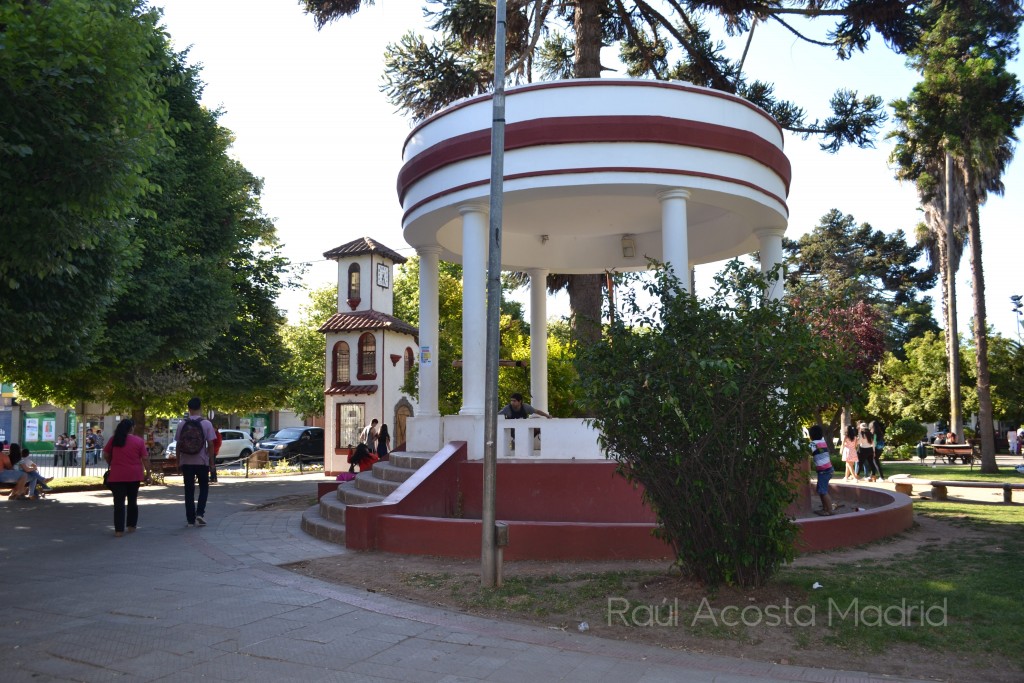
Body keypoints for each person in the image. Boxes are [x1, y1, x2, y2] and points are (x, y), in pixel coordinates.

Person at [103, 418, 151, 537]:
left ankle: (118, 530)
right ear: (131, 428)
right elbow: (145, 458)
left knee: (118, 503)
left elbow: (106, 454)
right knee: (132, 501)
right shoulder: (138, 441)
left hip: (117, 475)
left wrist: (112, 462)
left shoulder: (114, 439)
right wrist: (148, 473)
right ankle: (131, 526)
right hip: (134, 475)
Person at [174, 397, 218, 528]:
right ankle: (200, 513)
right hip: (202, 461)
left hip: (186, 461)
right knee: (204, 487)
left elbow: (178, 444)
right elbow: (211, 444)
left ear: (189, 409)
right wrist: (211, 462)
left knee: (189, 490)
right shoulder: (206, 424)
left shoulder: (182, 424)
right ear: (200, 408)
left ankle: (190, 520)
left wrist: (178, 461)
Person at [809, 424, 835, 515]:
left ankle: (829, 510)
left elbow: (806, 451)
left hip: (824, 471)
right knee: (821, 490)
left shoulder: (812, 444)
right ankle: (825, 509)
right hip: (828, 469)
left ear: (811, 435)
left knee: (823, 491)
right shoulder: (823, 442)